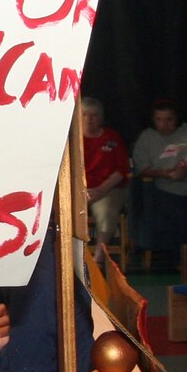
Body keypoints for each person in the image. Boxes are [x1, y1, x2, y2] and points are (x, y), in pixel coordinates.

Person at [131, 100, 187, 254]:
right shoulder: (146, 138)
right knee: (178, 221)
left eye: (169, 119)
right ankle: (183, 260)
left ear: (177, 119)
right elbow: (142, 170)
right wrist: (163, 173)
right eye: (159, 119)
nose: (164, 124)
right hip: (171, 190)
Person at [80, 96, 130, 258]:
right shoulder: (71, 139)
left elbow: (121, 170)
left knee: (105, 211)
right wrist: (81, 191)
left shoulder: (112, 138)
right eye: (84, 114)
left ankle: (98, 259)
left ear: (100, 117)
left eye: (94, 115)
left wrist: (101, 190)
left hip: (109, 189)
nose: (89, 119)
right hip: (80, 190)